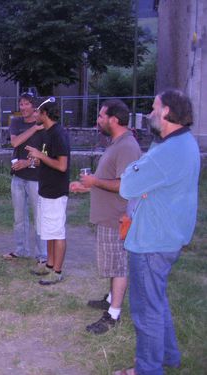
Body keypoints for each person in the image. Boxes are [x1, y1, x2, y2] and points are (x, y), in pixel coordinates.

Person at [116, 90, 200, 375]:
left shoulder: (166, 152)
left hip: (152, 242)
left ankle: (148, 369)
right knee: (157, 300)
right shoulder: (185, 142)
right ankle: (168, 356)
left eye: (154, 108)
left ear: (166, 112)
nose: (150, 113)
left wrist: (134, 170)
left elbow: (127, 184)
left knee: (145, 311)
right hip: (169, 237)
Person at [70, 99, 141, 334]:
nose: (97, 120)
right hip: (108, 217)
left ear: (114, 119)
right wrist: (87, 187)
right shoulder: (117, 143)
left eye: (101, 116)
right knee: (112, 263)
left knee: (119, 266)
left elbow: (126, 185)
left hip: (117, 218)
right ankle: (111, 298)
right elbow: (111, 180)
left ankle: (114, 315)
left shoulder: (128, 147)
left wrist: (94, 181)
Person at [25, 102, 70, 285]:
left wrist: (41, 156)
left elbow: (62, 165)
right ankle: (49, 265)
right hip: (45, 189)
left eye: (37, 111)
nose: (35, 114)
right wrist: (37, 158)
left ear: (44, 113)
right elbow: (47, 159)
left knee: (57, 232)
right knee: (49, 231)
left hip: (56, 192)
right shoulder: (46, 133)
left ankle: (57, 272)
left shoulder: (59, 134)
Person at [3, 92, 47, 264]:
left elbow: (46, 154)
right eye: (21, 104)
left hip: (36, 178)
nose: (23, 107)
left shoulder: (44, 126)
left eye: (26, 104)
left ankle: (42, 255)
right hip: (18, 178)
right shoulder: (16, 122)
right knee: (19, 217)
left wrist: (26, 163)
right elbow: (15, 142)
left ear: (34, 106)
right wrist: (33, 128)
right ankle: (21, 250)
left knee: (39, 217)